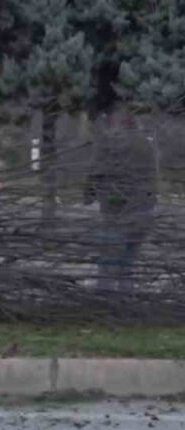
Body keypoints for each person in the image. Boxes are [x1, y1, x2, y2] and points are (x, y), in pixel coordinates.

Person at [84, 110, 157, 294]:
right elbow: (152, 176)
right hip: (143, 210)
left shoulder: (110, 141)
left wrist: (89, 194)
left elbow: (96, 170)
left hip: (116, 209)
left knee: (109, 258)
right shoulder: (145, 144)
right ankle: (125, 299)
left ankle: (105, 299)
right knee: (128, 262)